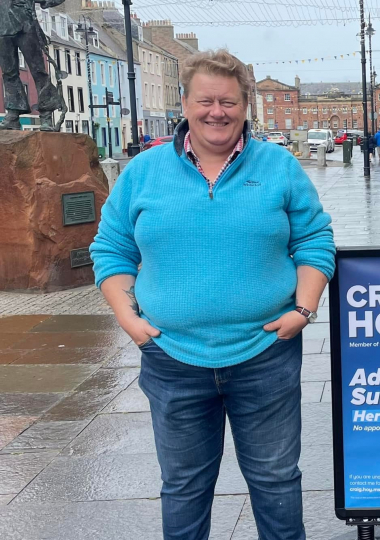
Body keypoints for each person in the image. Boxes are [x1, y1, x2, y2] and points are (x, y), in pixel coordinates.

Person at [90, 49, 335, 540]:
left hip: (265, 354)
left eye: (228, 101)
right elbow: (111, 249)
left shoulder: (279, 166)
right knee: (183, 488)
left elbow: (314, 240)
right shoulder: (144, 171)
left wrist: (304, 310)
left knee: (276, 481)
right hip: (172, 358)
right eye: (205, 100)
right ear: (184, 103)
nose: (216, 112)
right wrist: (128, 319)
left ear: (246, 106)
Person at [0, 0, 66, 131]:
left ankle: (46, 115)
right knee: (9, 73)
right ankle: (13, 114)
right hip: (2, 28)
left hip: (26, 25)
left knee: (38, 72)